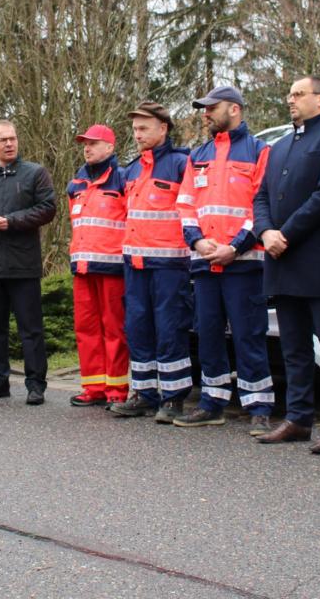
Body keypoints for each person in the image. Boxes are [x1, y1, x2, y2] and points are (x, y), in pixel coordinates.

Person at [252, 76, 320, 454]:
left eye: (299, 94)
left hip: (318, 259)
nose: (290, 99)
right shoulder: (279, 147)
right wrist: (265, 233)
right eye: (290, 94)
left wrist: (286, 233)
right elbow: (260, 196)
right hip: (281, 260)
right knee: (293, 347)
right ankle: (297, 419)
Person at [173, 86, 274, 434]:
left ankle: (259, 406)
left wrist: (235, 247)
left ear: (234, 109)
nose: (205, 114)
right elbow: (185, 204)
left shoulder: (260, 151)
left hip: (244, 262)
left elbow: (261, 204)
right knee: (208, 332)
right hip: (204, 262)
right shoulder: (197, 154)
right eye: (203, 109)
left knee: (249, 333)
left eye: (211, 108)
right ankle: (212, 402)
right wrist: (198, 241)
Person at [108, 101, 194, 423]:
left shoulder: (180, 163)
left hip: (170, 265)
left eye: (144, 128)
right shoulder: (131, 169)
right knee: (137, 328)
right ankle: (144, 393)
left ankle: (173, 399)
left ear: (163, 128)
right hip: (135, 264)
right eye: (134, 129)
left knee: (170, 329)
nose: (138, 134)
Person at [0, 120, 57, 405]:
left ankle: (35, 384)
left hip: (22, 263)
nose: (9, 144)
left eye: (13, 138)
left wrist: (10, 221)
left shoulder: (35, 173)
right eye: (2, 139)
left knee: (30, 328)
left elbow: (47, 208)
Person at [66, 124, 130, 407]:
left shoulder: (123, 179)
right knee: (86, 328)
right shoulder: (76, 184)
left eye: (93, 143)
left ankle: (117, 389)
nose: (87, 148)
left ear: (110, 148)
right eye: (85, 144)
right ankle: (93, 387)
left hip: (113, 268)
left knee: (114, 329)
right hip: (82, 267)